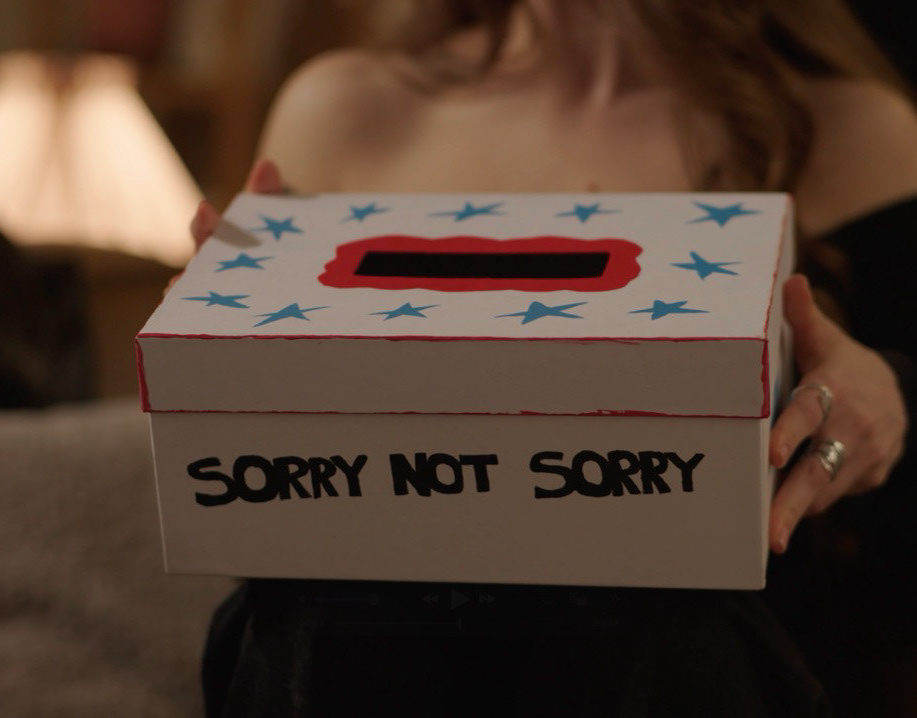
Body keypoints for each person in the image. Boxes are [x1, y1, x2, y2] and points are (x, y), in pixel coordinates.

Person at [191, 1, 917, 715]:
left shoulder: (851, 127)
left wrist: (892, 397)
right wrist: (220, 351)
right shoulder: (343, 107)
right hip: (361, 657)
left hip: (700, 662)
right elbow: (265, 523)